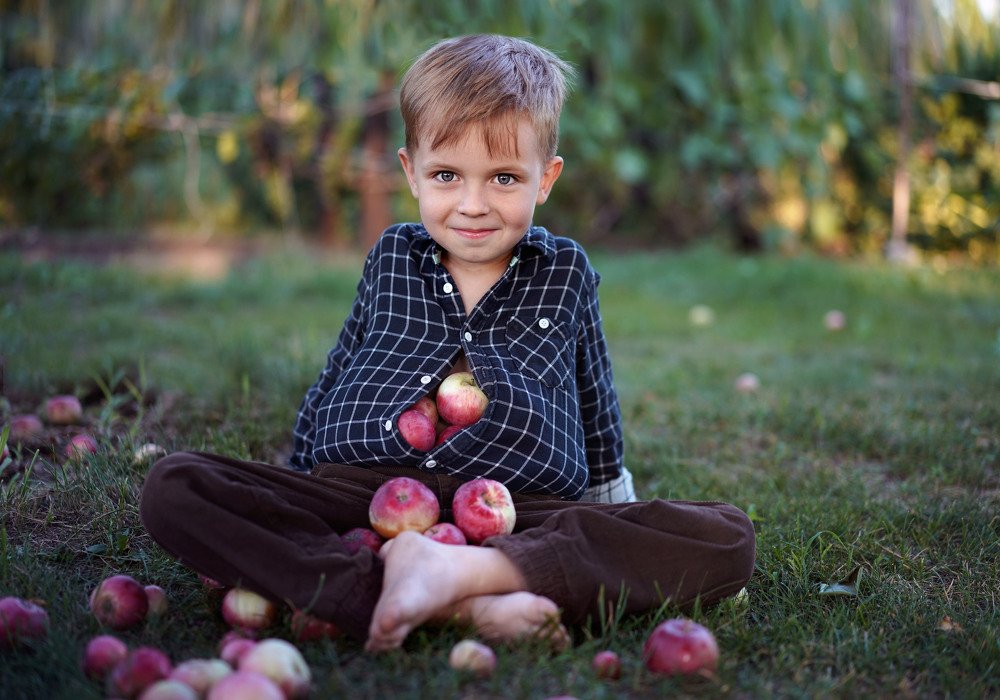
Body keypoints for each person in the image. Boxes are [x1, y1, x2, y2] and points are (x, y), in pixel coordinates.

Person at [139, 34, 755, 653]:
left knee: (726, 537)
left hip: (517, 509)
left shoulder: (564, 272)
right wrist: (296, 485)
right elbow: (342, 365)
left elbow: (594, 397)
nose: (472, 205)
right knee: (176, 486)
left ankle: (444, 578)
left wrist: (616, 516)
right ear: (410, 171)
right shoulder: (391, 258)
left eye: (505, 178)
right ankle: (462, 602)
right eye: (446, 175)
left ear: (547, 179)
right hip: (363, 494)